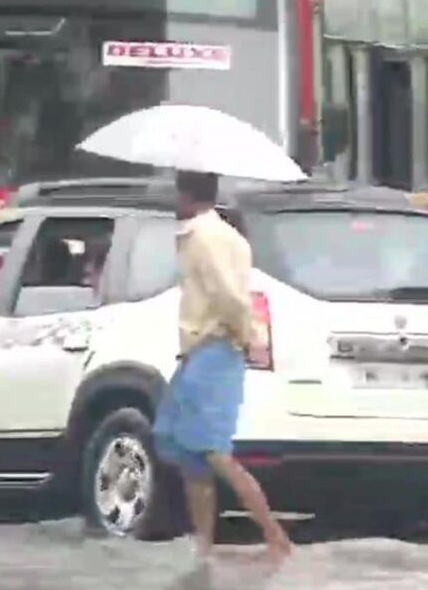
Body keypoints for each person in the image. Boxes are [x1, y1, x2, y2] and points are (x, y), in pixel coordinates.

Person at [153, 170, 292, 562]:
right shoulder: (225, 236)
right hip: (203, 352)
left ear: (185, 193)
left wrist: (251, 337)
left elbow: (230, 297)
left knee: (212, 451)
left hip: (215, 349)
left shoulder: (204, 237)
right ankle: (203, 546)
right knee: (188, 451)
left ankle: (275, 537)